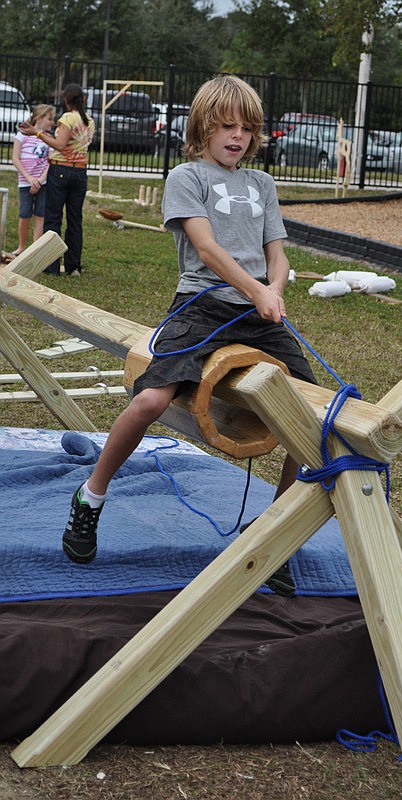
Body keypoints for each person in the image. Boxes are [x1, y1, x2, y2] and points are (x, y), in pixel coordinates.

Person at [61, 74, 317, 596]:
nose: (237, 136)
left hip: (257, 310)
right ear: (203, 126)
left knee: (312, 416)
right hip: (201, 307)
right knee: (151, 399)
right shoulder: (186, 176)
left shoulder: (262, 184)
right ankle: (90, 497)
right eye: (226, 125)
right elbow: (207, 251)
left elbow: (277, 252)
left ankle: (272, 531)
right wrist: (257, 291)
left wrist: (275, 288)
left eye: (246, 128)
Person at [19, 83, 95, 275]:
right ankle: (73, 267)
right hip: (80, 173)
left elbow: (60, 145)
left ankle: (51, 266)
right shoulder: (90, 121)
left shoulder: (68, 118)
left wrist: (37, 133)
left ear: (67, 99)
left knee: (53, 218)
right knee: (75, 219)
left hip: (61, 171)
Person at [11, 104, 55, 256]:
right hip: (25, 182)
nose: (52, 122)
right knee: (24, 214)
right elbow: (15, 158)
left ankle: (35, 250)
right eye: (49, 119)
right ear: (38, 118)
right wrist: (30, 179)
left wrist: (40, 180)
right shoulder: (22, 135)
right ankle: (22, 247)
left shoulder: (49, 139)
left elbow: (50, 162)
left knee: (40, 215)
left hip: (42, 184)